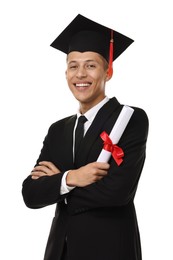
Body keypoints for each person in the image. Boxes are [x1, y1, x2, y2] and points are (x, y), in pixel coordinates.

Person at [22, 14, 149, 260]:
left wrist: (57, 184)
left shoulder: (130, 119)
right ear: (66, 73)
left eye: (90, 65)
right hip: (60, 252)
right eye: (73, 66)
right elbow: (31, 193)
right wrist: (73, 177)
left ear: (108, 71)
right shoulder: (58, 129)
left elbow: (117, 192)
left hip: (110, 250)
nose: (80, 74)